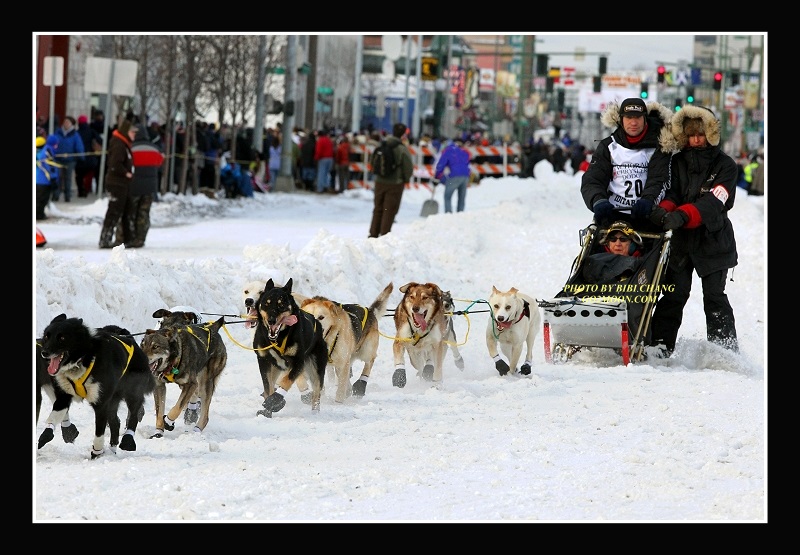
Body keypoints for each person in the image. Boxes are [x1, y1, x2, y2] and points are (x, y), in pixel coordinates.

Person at [649, 105, 739, 356]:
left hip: (713, 239)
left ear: (710, 134)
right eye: (691, 135)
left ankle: (724, 351)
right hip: (682, 241)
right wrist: (664, 210)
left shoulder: (726, 165)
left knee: (714, 296)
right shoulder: (677, 162)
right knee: (674, 295)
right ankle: (659, 346)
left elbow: (716, 201)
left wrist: (681, 215)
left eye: (700, 134)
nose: (696, 140)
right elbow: (673, 193)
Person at [581, 98, 673, 231]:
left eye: (638, 118)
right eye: (629, 117)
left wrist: (648, 200)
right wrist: (598, 200)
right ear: (621, 120)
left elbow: (658, 178)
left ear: (645, 119)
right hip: (613, 213)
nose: (633, 122)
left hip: (647, 214)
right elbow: (593, 179)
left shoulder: (660, 146)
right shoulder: (608, 146)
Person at [115, 123, 165, 248]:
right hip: (149, 187)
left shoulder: (130, 148)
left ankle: (126, 239)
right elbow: (159, 164)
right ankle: (140, 239)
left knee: (129, 213)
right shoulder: (154, 148)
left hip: (133, 186)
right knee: (144, 214)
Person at [368, 122, 413, 238]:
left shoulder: (382, 145)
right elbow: (408, 167)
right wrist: (405, 179)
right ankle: (384, 235)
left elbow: (372, 162)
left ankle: (373, 234)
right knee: (389, 209)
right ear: (403, 134)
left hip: (379, 181)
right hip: (395, 183)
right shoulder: (401, 148)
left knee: (378, 208)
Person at [98, 119, 136, 248]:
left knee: (126, 211)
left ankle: (128, 239)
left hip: (123, 183)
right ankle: (105, 239)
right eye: (132, 132)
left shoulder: (124, 144)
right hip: (116, 183)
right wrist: (126, 172)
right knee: (114, 212)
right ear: (126, 132)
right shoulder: (119, 144)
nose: (134, 135)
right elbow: (115, 164)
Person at [51, 116, 85, 202]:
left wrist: (80, 156)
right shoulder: (58, 133)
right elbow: (52, 143)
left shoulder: (75, 135)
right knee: (57, 177)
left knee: (68, 178)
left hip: (70, 160)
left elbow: (79, 146)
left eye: (68, 122)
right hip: (58, 159)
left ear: (72, 124)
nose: (66, 124)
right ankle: (56, 195)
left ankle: (67, 196)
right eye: (65, 122)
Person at [434, 136, 472, 213]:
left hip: (454, 177)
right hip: (465, 177)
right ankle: (460, 213)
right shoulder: (465, 152)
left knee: (447, 196)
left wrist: (437, 176)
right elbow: (468, 164)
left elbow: (441, 164)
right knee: (461, 197)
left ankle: (448, 213)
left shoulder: (449, 151)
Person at [74, 114, 102, 197]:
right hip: (90, 156)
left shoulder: (77, 132)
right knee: (89, 174)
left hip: (79, 157)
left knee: (79, 176)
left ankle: (80, 190)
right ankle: (86, 189)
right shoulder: (91, 131)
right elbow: (100, 140)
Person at [36, 135, 60, 220]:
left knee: (42, 198)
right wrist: (53, 178)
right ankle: (38, 215)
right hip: (43, 181)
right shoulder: (48, 151)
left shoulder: (48, 150)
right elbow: (50, 165)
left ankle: (39, 214)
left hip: (43, 180)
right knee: (41, 199)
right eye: (56, 144)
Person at [314, 129, 335, 193]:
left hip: (323, 159)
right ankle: (327, 186)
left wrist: (316, 158)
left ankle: (320, 188)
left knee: (321, 173)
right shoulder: (329, 140)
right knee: (327, 174)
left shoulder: (320, 140)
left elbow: (318, 151)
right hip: (330, 158)